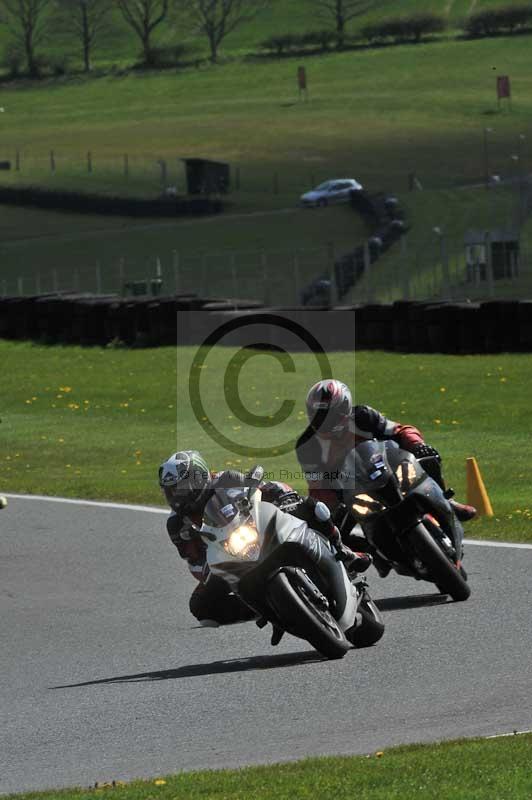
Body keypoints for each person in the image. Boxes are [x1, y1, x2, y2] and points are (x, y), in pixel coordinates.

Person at [158, 449, 371, 627]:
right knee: (200, 607)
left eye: (181, 488)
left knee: (311, 507)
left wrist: (284, 498)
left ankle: (344, 550)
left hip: (257, 530)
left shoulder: (225, 479)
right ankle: (265, 610)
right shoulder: (177, 525)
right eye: (171, 491)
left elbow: (262, 488)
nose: (177, 496)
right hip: (227, 558)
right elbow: (194, 562)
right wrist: (210, 571)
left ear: (198, 476)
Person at [296, 379, 477, 525]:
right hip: (351, 492)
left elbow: (400, 431)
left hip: (387, 468)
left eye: (330, 414)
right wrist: (331, 501)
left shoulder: (364, 416)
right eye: (318, 415)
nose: (324, 421)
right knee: (328, 525)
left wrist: (416, 444)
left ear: (344, 408)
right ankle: (357, 558)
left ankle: (446, 503)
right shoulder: (307, 446)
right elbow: (317, 485)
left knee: (429, 456)